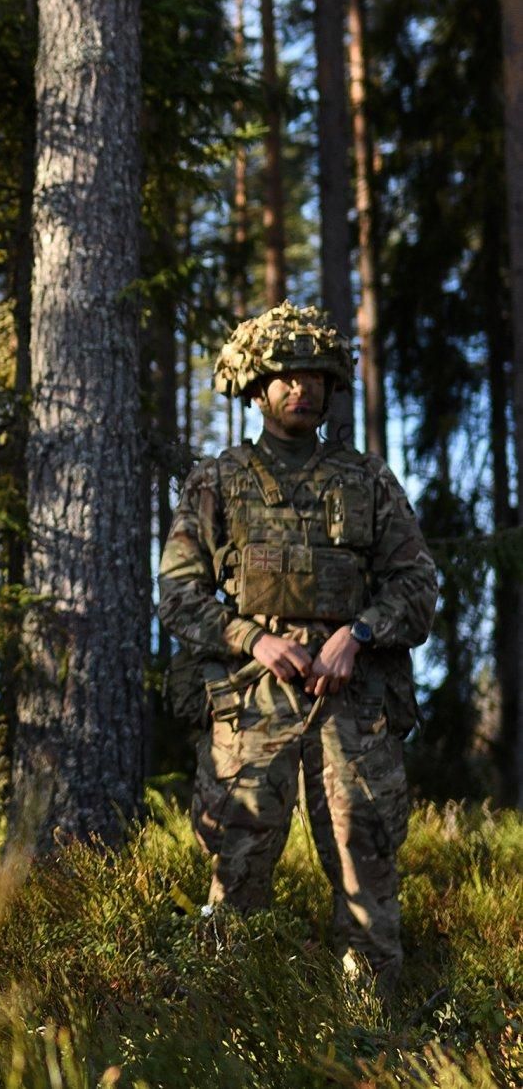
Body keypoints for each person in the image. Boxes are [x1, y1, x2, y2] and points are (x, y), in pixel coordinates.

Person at [160, 303, 438, 994]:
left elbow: (417, 582)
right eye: (286, 376)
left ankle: (371, 1037)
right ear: (257, 388)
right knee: (236, 870)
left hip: (352, 705)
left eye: (314, 376)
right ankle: (219, 1030)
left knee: (365, 872)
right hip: (252, 705)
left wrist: (359, 633)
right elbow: (178, 593)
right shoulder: (217, 481)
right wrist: (251, 638)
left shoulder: (367, 480)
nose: (302, 388)